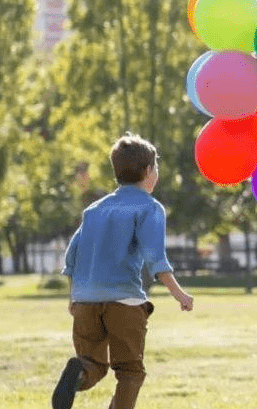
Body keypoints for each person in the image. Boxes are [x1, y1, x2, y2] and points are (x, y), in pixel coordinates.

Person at [52, 133, 194, 409]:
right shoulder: (149, 208)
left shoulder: (94, 210)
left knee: (93, 365)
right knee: (130, 372)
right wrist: (179, 293)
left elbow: (72, 256)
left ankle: (77, 373)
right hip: (123, 302)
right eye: (157, 167)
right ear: (148, 171)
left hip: (85, 302)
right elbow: (155, 257)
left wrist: (73, 297)